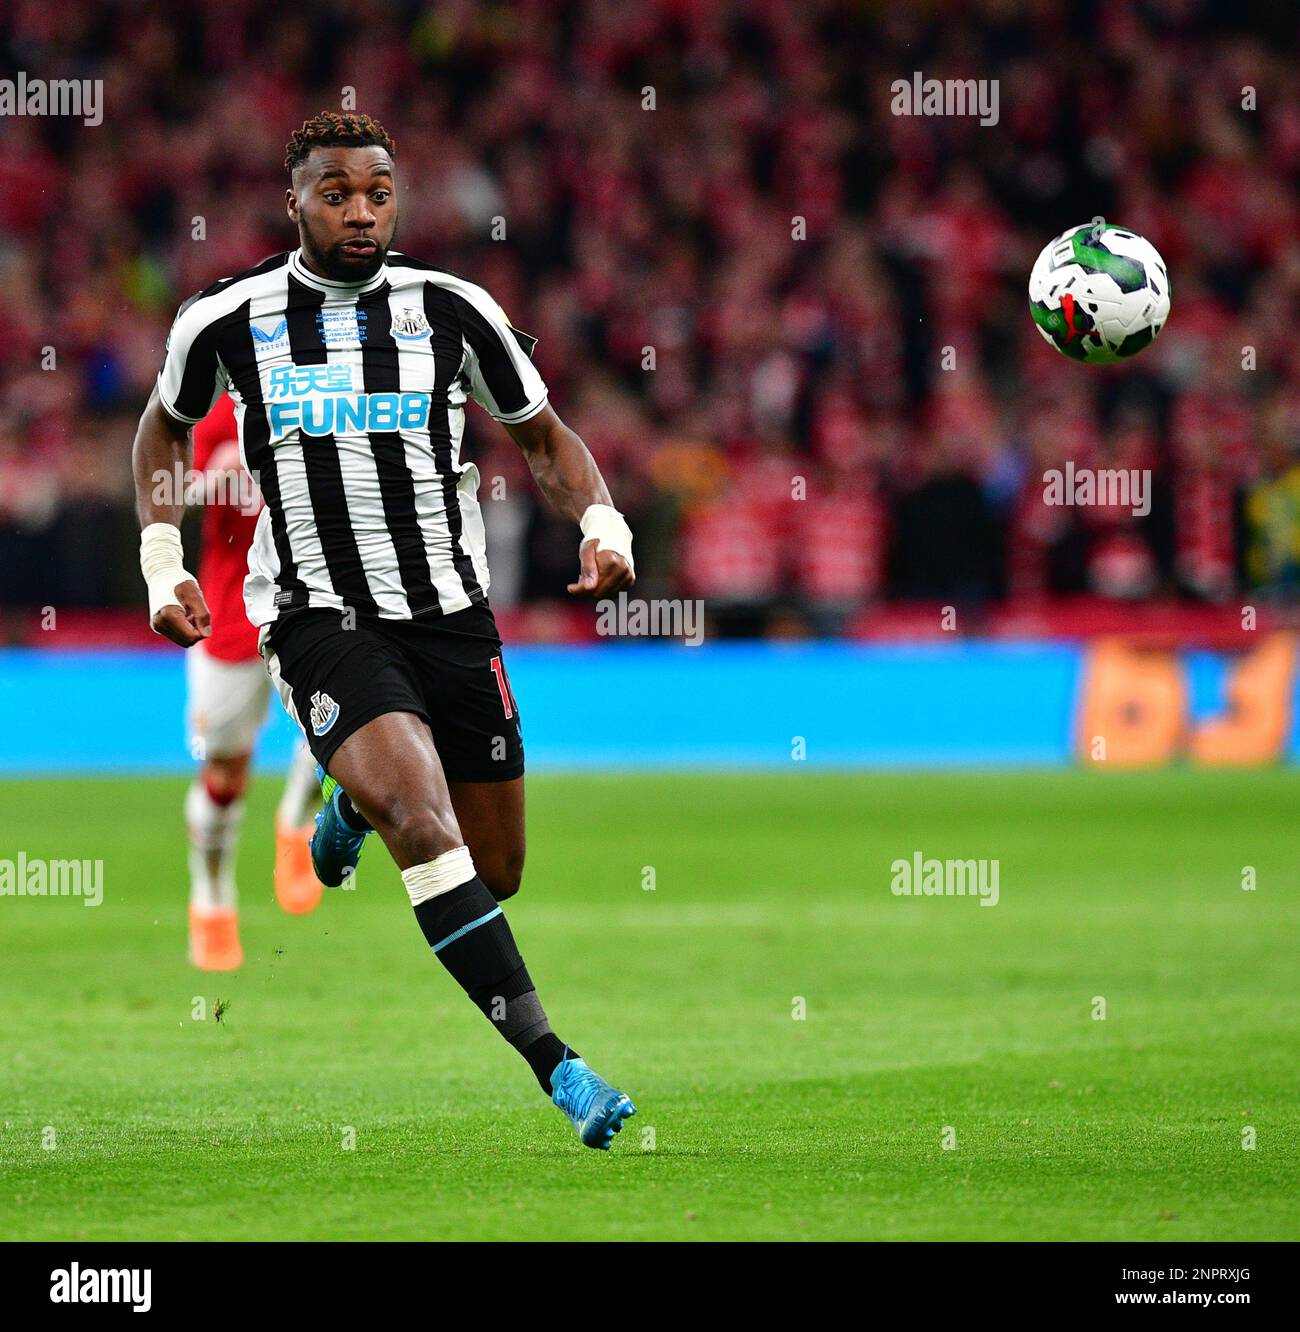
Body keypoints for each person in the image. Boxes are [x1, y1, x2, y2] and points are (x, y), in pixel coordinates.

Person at [131, 112, 638, 1149]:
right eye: (335, 192)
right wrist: (162, 559)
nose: (359, 211)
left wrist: (600, 519)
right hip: (318, 615)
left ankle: (346, 810)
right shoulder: (227, 319)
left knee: (493, 870)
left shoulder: (452, 310)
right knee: (423, 821)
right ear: (295, 200)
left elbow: (541, 435)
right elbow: (162, 427)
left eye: (376, 192)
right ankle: (561, 1067)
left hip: (451, 615)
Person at [183, 393, 322, 971]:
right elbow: (173, 495)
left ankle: (296, 821)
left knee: (350, 728)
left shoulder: (329, 386)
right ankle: (211, 898)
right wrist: (213, 476)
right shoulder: (216, 409)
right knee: (225, 774)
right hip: (231, 613)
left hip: (315, 601)